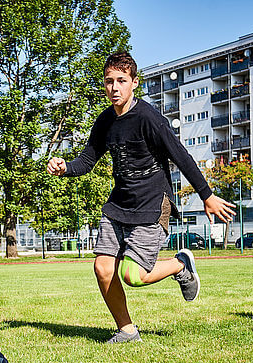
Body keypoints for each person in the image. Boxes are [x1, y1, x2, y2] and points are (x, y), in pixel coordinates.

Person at [46, 51, 236, 344]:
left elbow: (181, 156)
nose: (114, 87)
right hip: (118, 205)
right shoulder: (105, 121)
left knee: (133, 275)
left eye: (121, 80)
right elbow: (87, 160)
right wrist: (65, 168)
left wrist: (207, 195)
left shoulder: (149, 118)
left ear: (134, 82)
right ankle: (127, 330)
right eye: (109, 81)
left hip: (151, 204)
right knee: (103, 268)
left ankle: (180, 264)